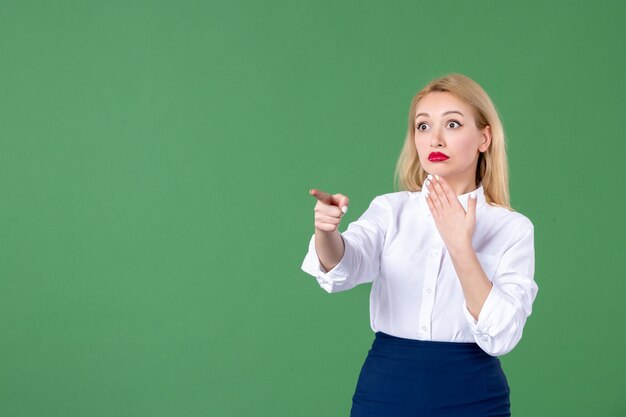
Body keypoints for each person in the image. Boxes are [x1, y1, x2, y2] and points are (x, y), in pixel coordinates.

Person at [301, 73, 538, 417]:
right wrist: (326, 231)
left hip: (473, 392)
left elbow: (501, 335)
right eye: (423, 127)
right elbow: (344, 267)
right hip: (387, 387)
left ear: (484, 138)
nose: (435, 140)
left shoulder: (512, 228)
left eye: (453, 124)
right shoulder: (390, 209)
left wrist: (460, 246)